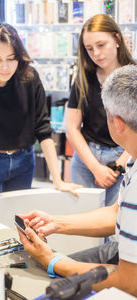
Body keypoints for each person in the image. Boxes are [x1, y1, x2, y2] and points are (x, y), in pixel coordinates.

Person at [18, 65, 137, 296]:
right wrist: (55, 223)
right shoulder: (132, 157)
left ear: (118, 123)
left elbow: (130, 282)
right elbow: (116, 214)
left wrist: (52, 261)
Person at [0, 23, 81, 220]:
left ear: (19, 56)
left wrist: (58, 180)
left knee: (18, 222)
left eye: (11, 58)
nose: (5, 67)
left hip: (23, 161)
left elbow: (43, 128)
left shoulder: (29, 78)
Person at [66, 14, 136, 207]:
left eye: (101, 45)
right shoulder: (83, 77)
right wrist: (96, 168)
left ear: (117, 39)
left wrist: (119, 165)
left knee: (115, 226)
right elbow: (72, 127)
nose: (96, 53)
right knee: (83, 221)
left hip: (125, 157)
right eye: (89, 48)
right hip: (86, 159)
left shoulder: (133, 77)